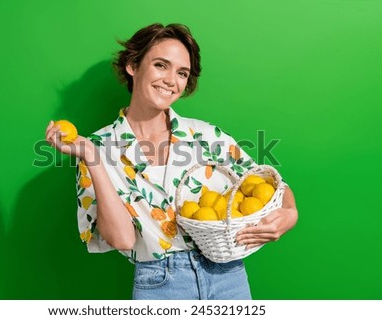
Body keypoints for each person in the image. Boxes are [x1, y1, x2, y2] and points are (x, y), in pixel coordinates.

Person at [45, 23, 298, 300]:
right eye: (161, 65)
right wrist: (93, 160)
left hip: (228, 277)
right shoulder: (95, 147)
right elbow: (123, 239)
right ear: (133, 65)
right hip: (159, 284)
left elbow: (270, 185)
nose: (171, 80)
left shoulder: (206, 135)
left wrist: (289, 213)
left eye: (182, 73)